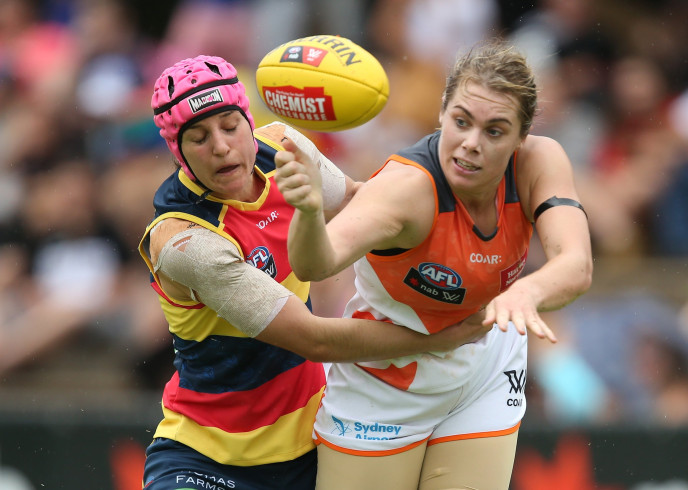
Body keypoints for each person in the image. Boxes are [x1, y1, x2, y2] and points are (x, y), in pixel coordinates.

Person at [138, 55, 493, 489]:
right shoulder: (185, 241)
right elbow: (313, 338)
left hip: (314, 443)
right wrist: (440, 337)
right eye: (198, 138)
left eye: (230, 126)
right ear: (178, 151)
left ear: (249, 121)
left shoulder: (285, 148)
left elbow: (363, 210)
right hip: (205, 458)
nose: (220, 147)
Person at [274, 39, 593, 489]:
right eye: (461, 122)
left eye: (495, 131)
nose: (471, 144)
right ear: (442, 111)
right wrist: (307, 212)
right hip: (387, 378)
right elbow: (315, 263)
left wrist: (526, 293)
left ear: (521, 137)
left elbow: (576, 264)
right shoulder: (406, 191)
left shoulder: (538, 162)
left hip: (483, 364)